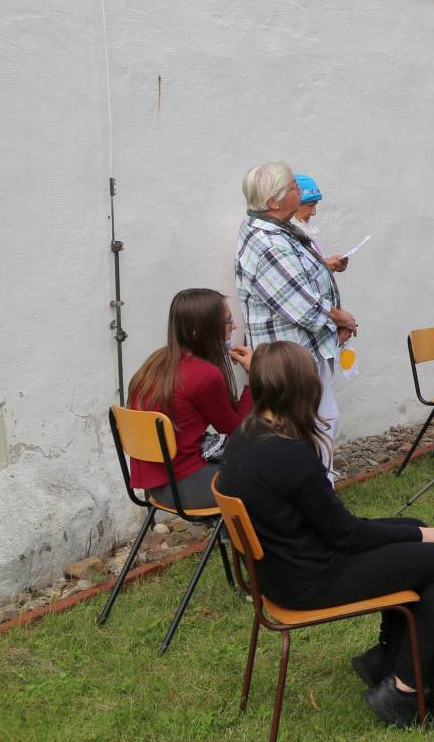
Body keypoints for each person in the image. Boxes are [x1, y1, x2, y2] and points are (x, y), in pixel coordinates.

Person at [217, 341, 434, 726]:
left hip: (281, 572)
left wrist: (414, 533)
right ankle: (404, 689)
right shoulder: (289, 454)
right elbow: (347, 536)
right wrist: (418, 540)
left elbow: (335, 527)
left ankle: (386, 655)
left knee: (413, 528)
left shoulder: (246, 435)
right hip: (311, 579)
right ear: (300, 389)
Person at [235, 161, 355, 483]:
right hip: (289, 358)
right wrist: (339, 317)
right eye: (293, 188)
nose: (299, 192)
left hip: (299, 353)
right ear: (274, 201)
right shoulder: (269, 243)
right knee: (310, 426)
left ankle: (319, 485)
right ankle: (317, 490)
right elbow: (302, 307)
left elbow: (304, 283)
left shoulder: (278, 228)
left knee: (321, 419)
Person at [126, 288, 254, 511]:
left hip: (158, 488)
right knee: (273, 475)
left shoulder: (156, 362)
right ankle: (255, 542)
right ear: (198, 331)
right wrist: (253, 379)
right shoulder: (204, 374)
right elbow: (236, 430)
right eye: (227, 321)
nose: (233, 326)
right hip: (188, 487)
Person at [291, 174, 348, 274]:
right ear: (294, 204)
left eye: (315, 206)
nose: (314, 212)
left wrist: (330, 264)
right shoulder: (285, 237)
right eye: (310, 206)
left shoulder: (302, 234)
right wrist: (324, 265)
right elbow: (294, 274)